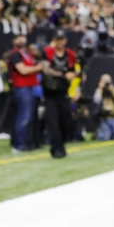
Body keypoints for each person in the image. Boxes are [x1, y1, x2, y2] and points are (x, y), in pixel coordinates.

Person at [40, 30, 76, 158]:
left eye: (62, 39)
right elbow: (45, 69)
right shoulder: (48, 52)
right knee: (53, 121)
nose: (60, 42)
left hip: (63, 91)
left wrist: (74, 76)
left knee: (66, 120)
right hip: (50, 91)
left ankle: (60, 144)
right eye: (58, 39)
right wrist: (62, 74)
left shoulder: (70, 54)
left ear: (65, 40)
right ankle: (57, 148)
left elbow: (73, 71)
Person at [8, 35, 42, 153]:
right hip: (21, 87)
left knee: (28, 117)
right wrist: (39, 67)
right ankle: (19, 144)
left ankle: (26, 142)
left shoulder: (27, 53)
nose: (22, 40)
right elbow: (23, 70)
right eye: (18, 38)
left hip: (30, 87)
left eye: (23, 38)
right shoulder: (15, 55)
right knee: (24, 117)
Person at [94, 74, 114, 141]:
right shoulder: (99, 90)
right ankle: (98, 134)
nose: (106, 82)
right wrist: (100, 88)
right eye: (104, 80)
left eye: (107, 80)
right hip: (104, 118)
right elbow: (96, 100)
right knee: (105, 138)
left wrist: (112, 90)